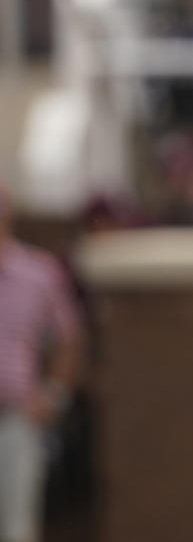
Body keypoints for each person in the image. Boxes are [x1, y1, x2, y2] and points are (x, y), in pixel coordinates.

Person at [0, 179, 85, 542]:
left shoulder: (40, 272)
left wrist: (53, 396)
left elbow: (70, 337)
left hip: (16, 416)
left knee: (18, 527)